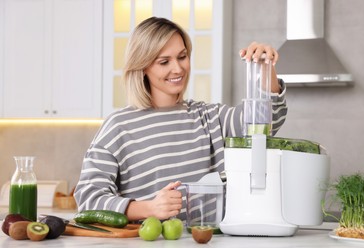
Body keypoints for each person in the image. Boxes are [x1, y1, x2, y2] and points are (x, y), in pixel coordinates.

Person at [74, 17, 287, 222]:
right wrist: (149, 208)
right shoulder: (118, 127)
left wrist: (265, 68)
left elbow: (265, 123)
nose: (177, 69)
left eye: (182, 57)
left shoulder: (208, 117)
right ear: (143, 67)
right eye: (164, 62)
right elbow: (88, 198)